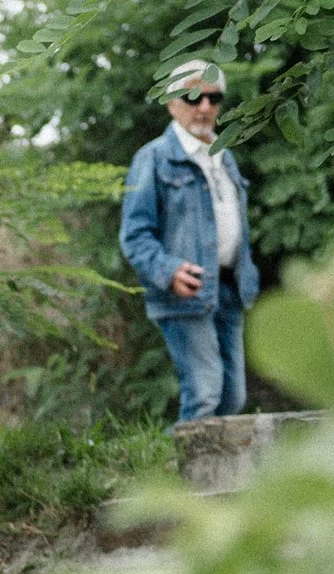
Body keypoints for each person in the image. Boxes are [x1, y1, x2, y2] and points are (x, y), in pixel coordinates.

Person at [120, 60, 261, 425]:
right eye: (193, 96)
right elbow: (134, 234)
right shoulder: (153, 158)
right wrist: (167, 272)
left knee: (233, 398)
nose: (204, 107)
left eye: (213, 98)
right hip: (187, 291)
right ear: (172, 103)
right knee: (205, 394)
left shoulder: (224, 155)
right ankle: (182, 480)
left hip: (230, 288)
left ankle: (222, 480)